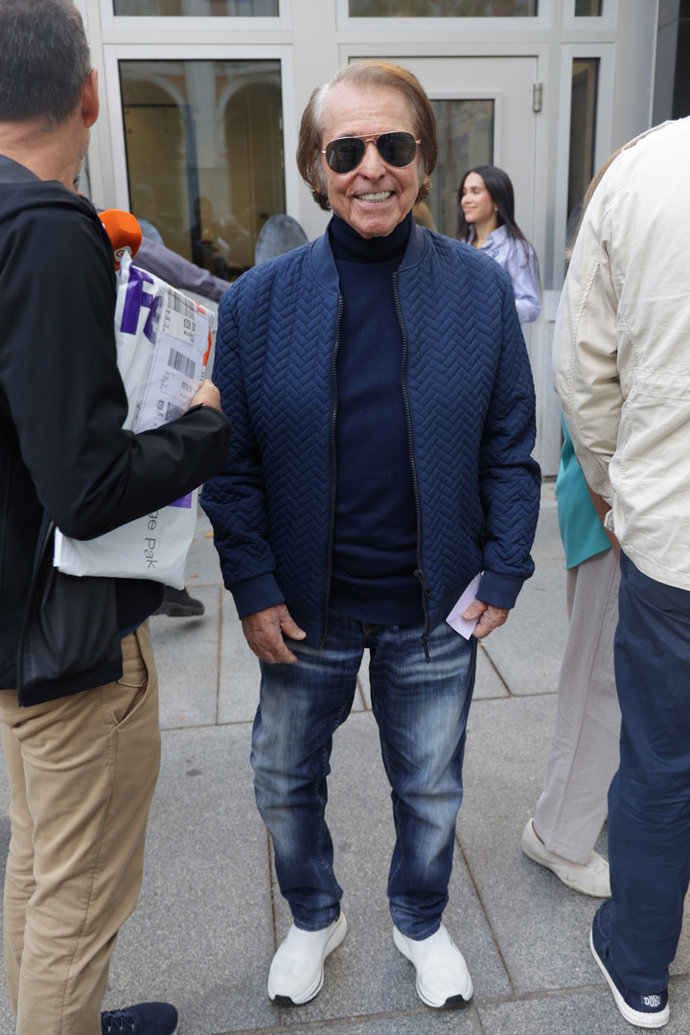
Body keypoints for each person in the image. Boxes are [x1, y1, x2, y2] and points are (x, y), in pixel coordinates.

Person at [202, 60, 540, 1011]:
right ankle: (315, 913)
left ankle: (420, 919)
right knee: (281, 775)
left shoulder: (478, 292)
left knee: (429, 786)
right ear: (318, 168)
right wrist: (253, 582)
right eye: (346, 150)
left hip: (436, 603)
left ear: (422, 158)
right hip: (304, 605)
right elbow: (231, 464)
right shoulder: (256, 303)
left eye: (392, 145)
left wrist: (505, 566)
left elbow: (510, 444)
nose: (371, 168)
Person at [0, 2, 231, 1033]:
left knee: (43, 860)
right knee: (80, 897)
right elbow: (86, 488)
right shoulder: (46, 229)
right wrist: (202, 425)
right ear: (89, 95)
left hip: (19, 625)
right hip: (68, 636)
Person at [553, 115, 690, 1030]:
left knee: (660, 758)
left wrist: (614, 490)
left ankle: (641, 964)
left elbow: (582, 370)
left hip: (675, 537)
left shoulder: (647, 170)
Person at [521, 418, 620, 896]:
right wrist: (617, 516)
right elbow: (590, 407)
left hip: (630, 506)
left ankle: (596, 803)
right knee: (602, 680)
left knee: (620, 678)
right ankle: (557, 836)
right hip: (621, 514)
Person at [457, 164, 540, 323]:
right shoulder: (461, 245)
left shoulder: (515, 249)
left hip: (495, 336)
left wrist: (494, 306)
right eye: (464, 192)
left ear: (496, 201)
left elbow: (531, 307)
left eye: (475, 191)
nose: (466, 200)